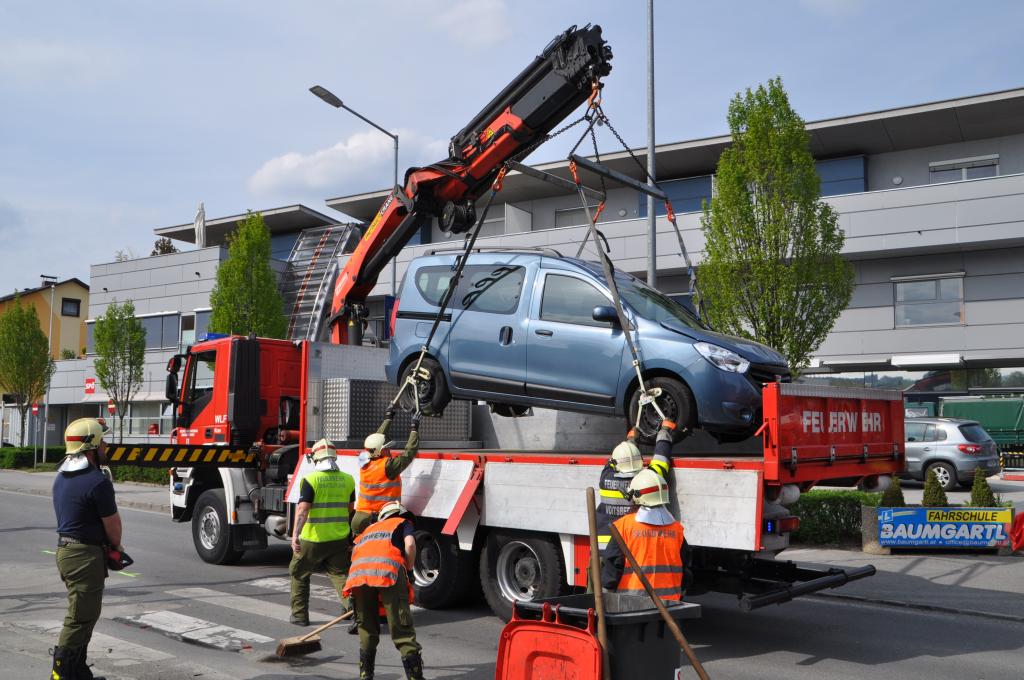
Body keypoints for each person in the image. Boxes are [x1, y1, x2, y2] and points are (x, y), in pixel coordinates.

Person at [50, 418, 122, 680]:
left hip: (68, 552)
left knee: (86, 614)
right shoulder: (97, 482)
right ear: (91, 446)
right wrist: (116, 547)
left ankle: (77, 671)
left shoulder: (61, 477)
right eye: (102, 441)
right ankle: (61, 673)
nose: (106, 445)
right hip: (84, 556)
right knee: (79, 618)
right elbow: (113, 526)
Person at [343, 501, 424, 680]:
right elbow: (410, 545)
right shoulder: (403, 523)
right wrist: (409, 570)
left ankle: (366, 674)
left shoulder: (368, 530)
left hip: (358, 576)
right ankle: (415, 677)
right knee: (401, 626)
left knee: (366, 626)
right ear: (399, 514)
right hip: (389, 573)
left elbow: (355, 552)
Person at [289, 438, 356, 627]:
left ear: (315, 458)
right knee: (340, 576)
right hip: (338, 538)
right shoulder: (348, 479)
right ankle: (354, 610)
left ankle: (299, 616)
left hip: (312, 539)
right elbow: (350, 509)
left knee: (299, 573)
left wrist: (295, 535)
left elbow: (302, 510)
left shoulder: (311, 480)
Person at [601, 468, 687, 601]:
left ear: (636, 497)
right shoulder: (677, 530)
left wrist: (606, 597)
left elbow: (611, 570)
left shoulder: (624, 527)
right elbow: (685, 571)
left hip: (632, 605)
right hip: (670, 606)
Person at [595, 420, 677, 553]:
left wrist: (631, 439)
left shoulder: (605, 475)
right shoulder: (646, 480)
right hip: (630, 547)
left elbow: (617, 459)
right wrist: (664, 433)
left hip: (603, 548)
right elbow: (660, 460)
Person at [351, 408, 420, 537]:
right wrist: (414, 430)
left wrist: (388, 418)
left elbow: (376, 440)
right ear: (380, 451)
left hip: (359, 518)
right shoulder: (388, 466)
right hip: (377, 518)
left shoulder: (365, 459)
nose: (389, 451)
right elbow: (409, 454)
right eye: (386, 448)